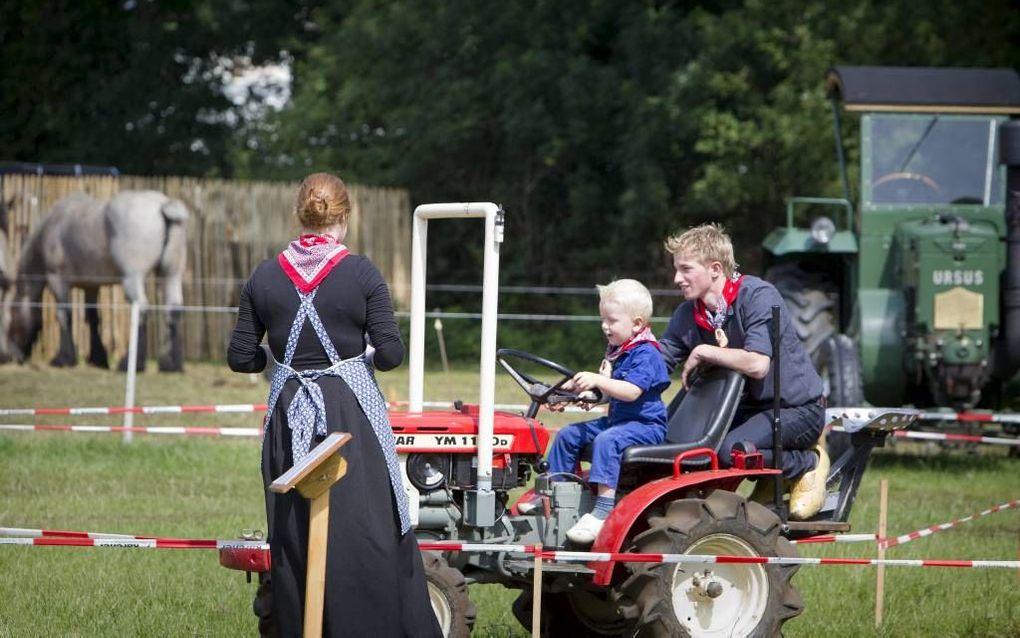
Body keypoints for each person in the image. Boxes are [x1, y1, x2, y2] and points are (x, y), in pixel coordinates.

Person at [227, 172, 441, 637]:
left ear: (299, 215)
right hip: (349, 415)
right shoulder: (361, 272)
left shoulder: (265, 276)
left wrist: (281, 362)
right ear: (343, 218)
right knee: (366, 532)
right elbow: (390, 356)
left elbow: (240, 357)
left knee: (294, 534)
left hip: (289, 415)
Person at [658, 223, 828, 520]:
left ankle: (806, 462)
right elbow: (657, 361)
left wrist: (705, 351)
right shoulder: (688, 313)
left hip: (795, 410)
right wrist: (604, 381)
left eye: (685, 269)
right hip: (744, 411)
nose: (677, 278)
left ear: (714, 268)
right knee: (686, 450)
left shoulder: (758, 295)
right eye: (676, 269)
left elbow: (758, 364)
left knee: (727, 453)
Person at [523, 279, 670, 544]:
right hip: (619, 421)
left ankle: (602, 509)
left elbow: (631, 391)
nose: (605, 326)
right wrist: (578, 393)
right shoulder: (619, 350)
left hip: (646, 426)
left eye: (612, 320)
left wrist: (599, 381)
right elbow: (608, 390)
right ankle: (556, 492)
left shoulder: (647, 353)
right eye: (603, 319)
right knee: (569, 434)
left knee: (606, 441)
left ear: (636, 324)